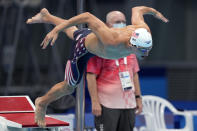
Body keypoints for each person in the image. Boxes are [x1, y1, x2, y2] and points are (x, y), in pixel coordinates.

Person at [26, 6, 168, 127]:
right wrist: (56, 30)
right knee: (69, 87)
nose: (146, 54)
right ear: (131, 44)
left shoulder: (143, 29)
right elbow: (87, 17)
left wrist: (156, 14)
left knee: (73, 31)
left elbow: (138, 9)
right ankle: (42, 103)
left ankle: (47, 16)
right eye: (143, 50)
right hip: (83, 49)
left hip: (95, 43)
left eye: (148, 49)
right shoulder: (111, 39)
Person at [86, 11, 142, 131]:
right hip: (107, 105)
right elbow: (90, 76)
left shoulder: (130, 46)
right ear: (107, 25)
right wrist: (95, 102)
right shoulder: (100, 48)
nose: (121, 24)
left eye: (123, 22)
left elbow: (135, 74)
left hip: (128, 104)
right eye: (117, 22)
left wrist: (138, 98)